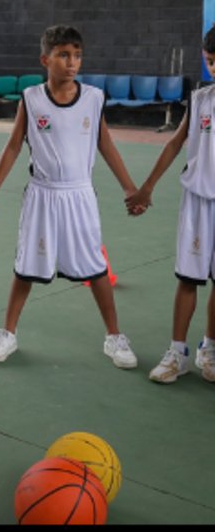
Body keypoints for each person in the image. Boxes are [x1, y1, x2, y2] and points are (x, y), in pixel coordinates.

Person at [0, 25, 141, 368]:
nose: (72, 62)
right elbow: (12, 146)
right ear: (46, 59)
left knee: (96, 268)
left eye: (77, 55)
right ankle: (7, 333)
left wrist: (129, 187)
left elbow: (106, 144)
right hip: (42, 195)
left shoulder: (94, 98)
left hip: (80, 195)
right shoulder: (31, 98)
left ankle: (114, 336)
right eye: (64, 55)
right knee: (26, 267)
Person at [127, 25, 215, 383]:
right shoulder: (201, 100)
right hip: (197, 202)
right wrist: (146, 187)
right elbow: (175, 144)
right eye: (211, 61)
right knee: (188, 278)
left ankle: (208, 348)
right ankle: (177, 352)